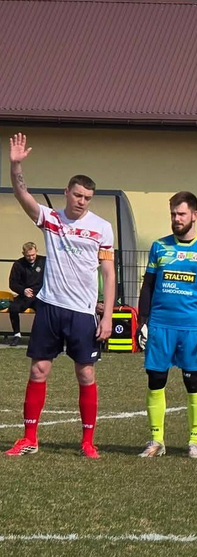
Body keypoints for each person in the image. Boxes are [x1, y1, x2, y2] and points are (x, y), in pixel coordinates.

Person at [5, 133, 115, 459]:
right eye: (78, 195)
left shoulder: (102, 228)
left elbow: (108, 274)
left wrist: (107, 316)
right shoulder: (50, 219)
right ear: (66, 192)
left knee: (86, 373)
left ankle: (87, 442)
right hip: (50, 308)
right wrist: (16, 165)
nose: (82, 201)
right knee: (38, 370)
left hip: (82, 313)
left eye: (88, 197)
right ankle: (29, 438)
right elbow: (21, 193)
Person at [135, 192, 197, 459]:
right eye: (173, 214)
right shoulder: (159, 247)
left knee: (194, 381)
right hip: (160, 325)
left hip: (192, 328)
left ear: (194, 215)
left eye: (181, 214)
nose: (176, 219)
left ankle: (195, 442)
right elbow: (147, 286)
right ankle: (156, 440)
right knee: (156, 380)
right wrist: (142, 321)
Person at [8, 242, 44, 346]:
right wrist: (23, 290)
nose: (31, 258)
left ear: (36, 252)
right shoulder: (18, 264)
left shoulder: (44, 261)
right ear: (23, 253)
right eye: (28, 256)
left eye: (33, 255)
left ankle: (40, 336)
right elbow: (12, 283)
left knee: (44, 310)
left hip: (40, 295)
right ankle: (17, 335)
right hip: (25, 295)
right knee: (13, 308)